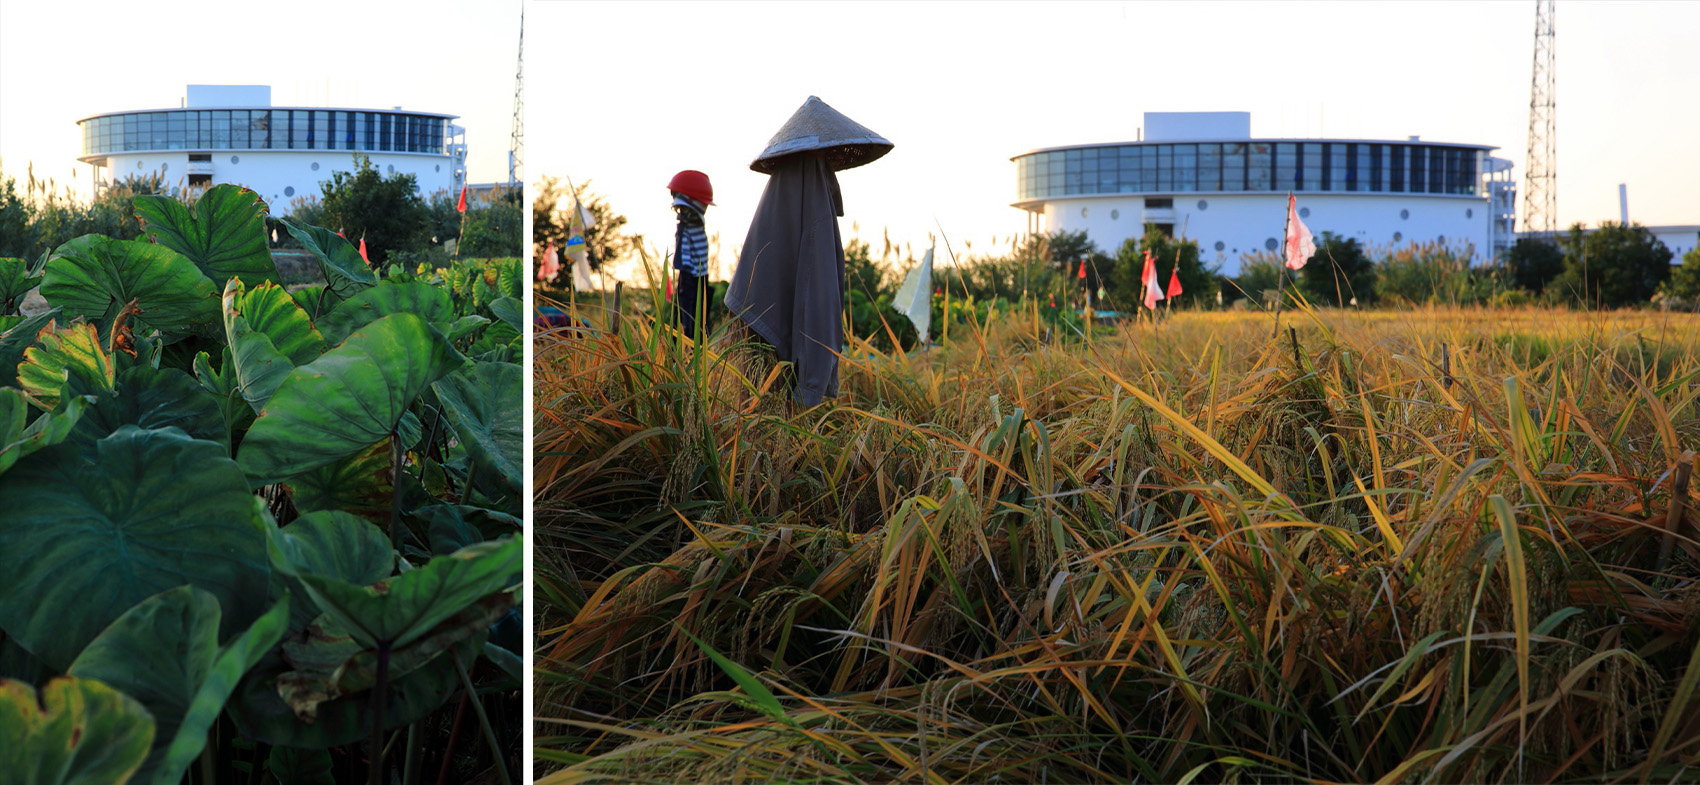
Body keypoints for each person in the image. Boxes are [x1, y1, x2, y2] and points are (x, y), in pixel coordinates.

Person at [723, 96, 892, 407]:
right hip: (778, 362)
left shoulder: (779, 191)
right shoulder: (812, 196)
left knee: (754, 417)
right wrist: (813, 385)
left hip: (754, 339)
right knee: (777, 418)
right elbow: (819, 296)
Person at [667, 169, 714, 339]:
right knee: (687, 316)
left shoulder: (690, 228)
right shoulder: (691, 227)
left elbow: (687, 254)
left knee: (690, 317)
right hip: (695, 276)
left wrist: (685, 266)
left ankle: (688, 348)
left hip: (691, 276)